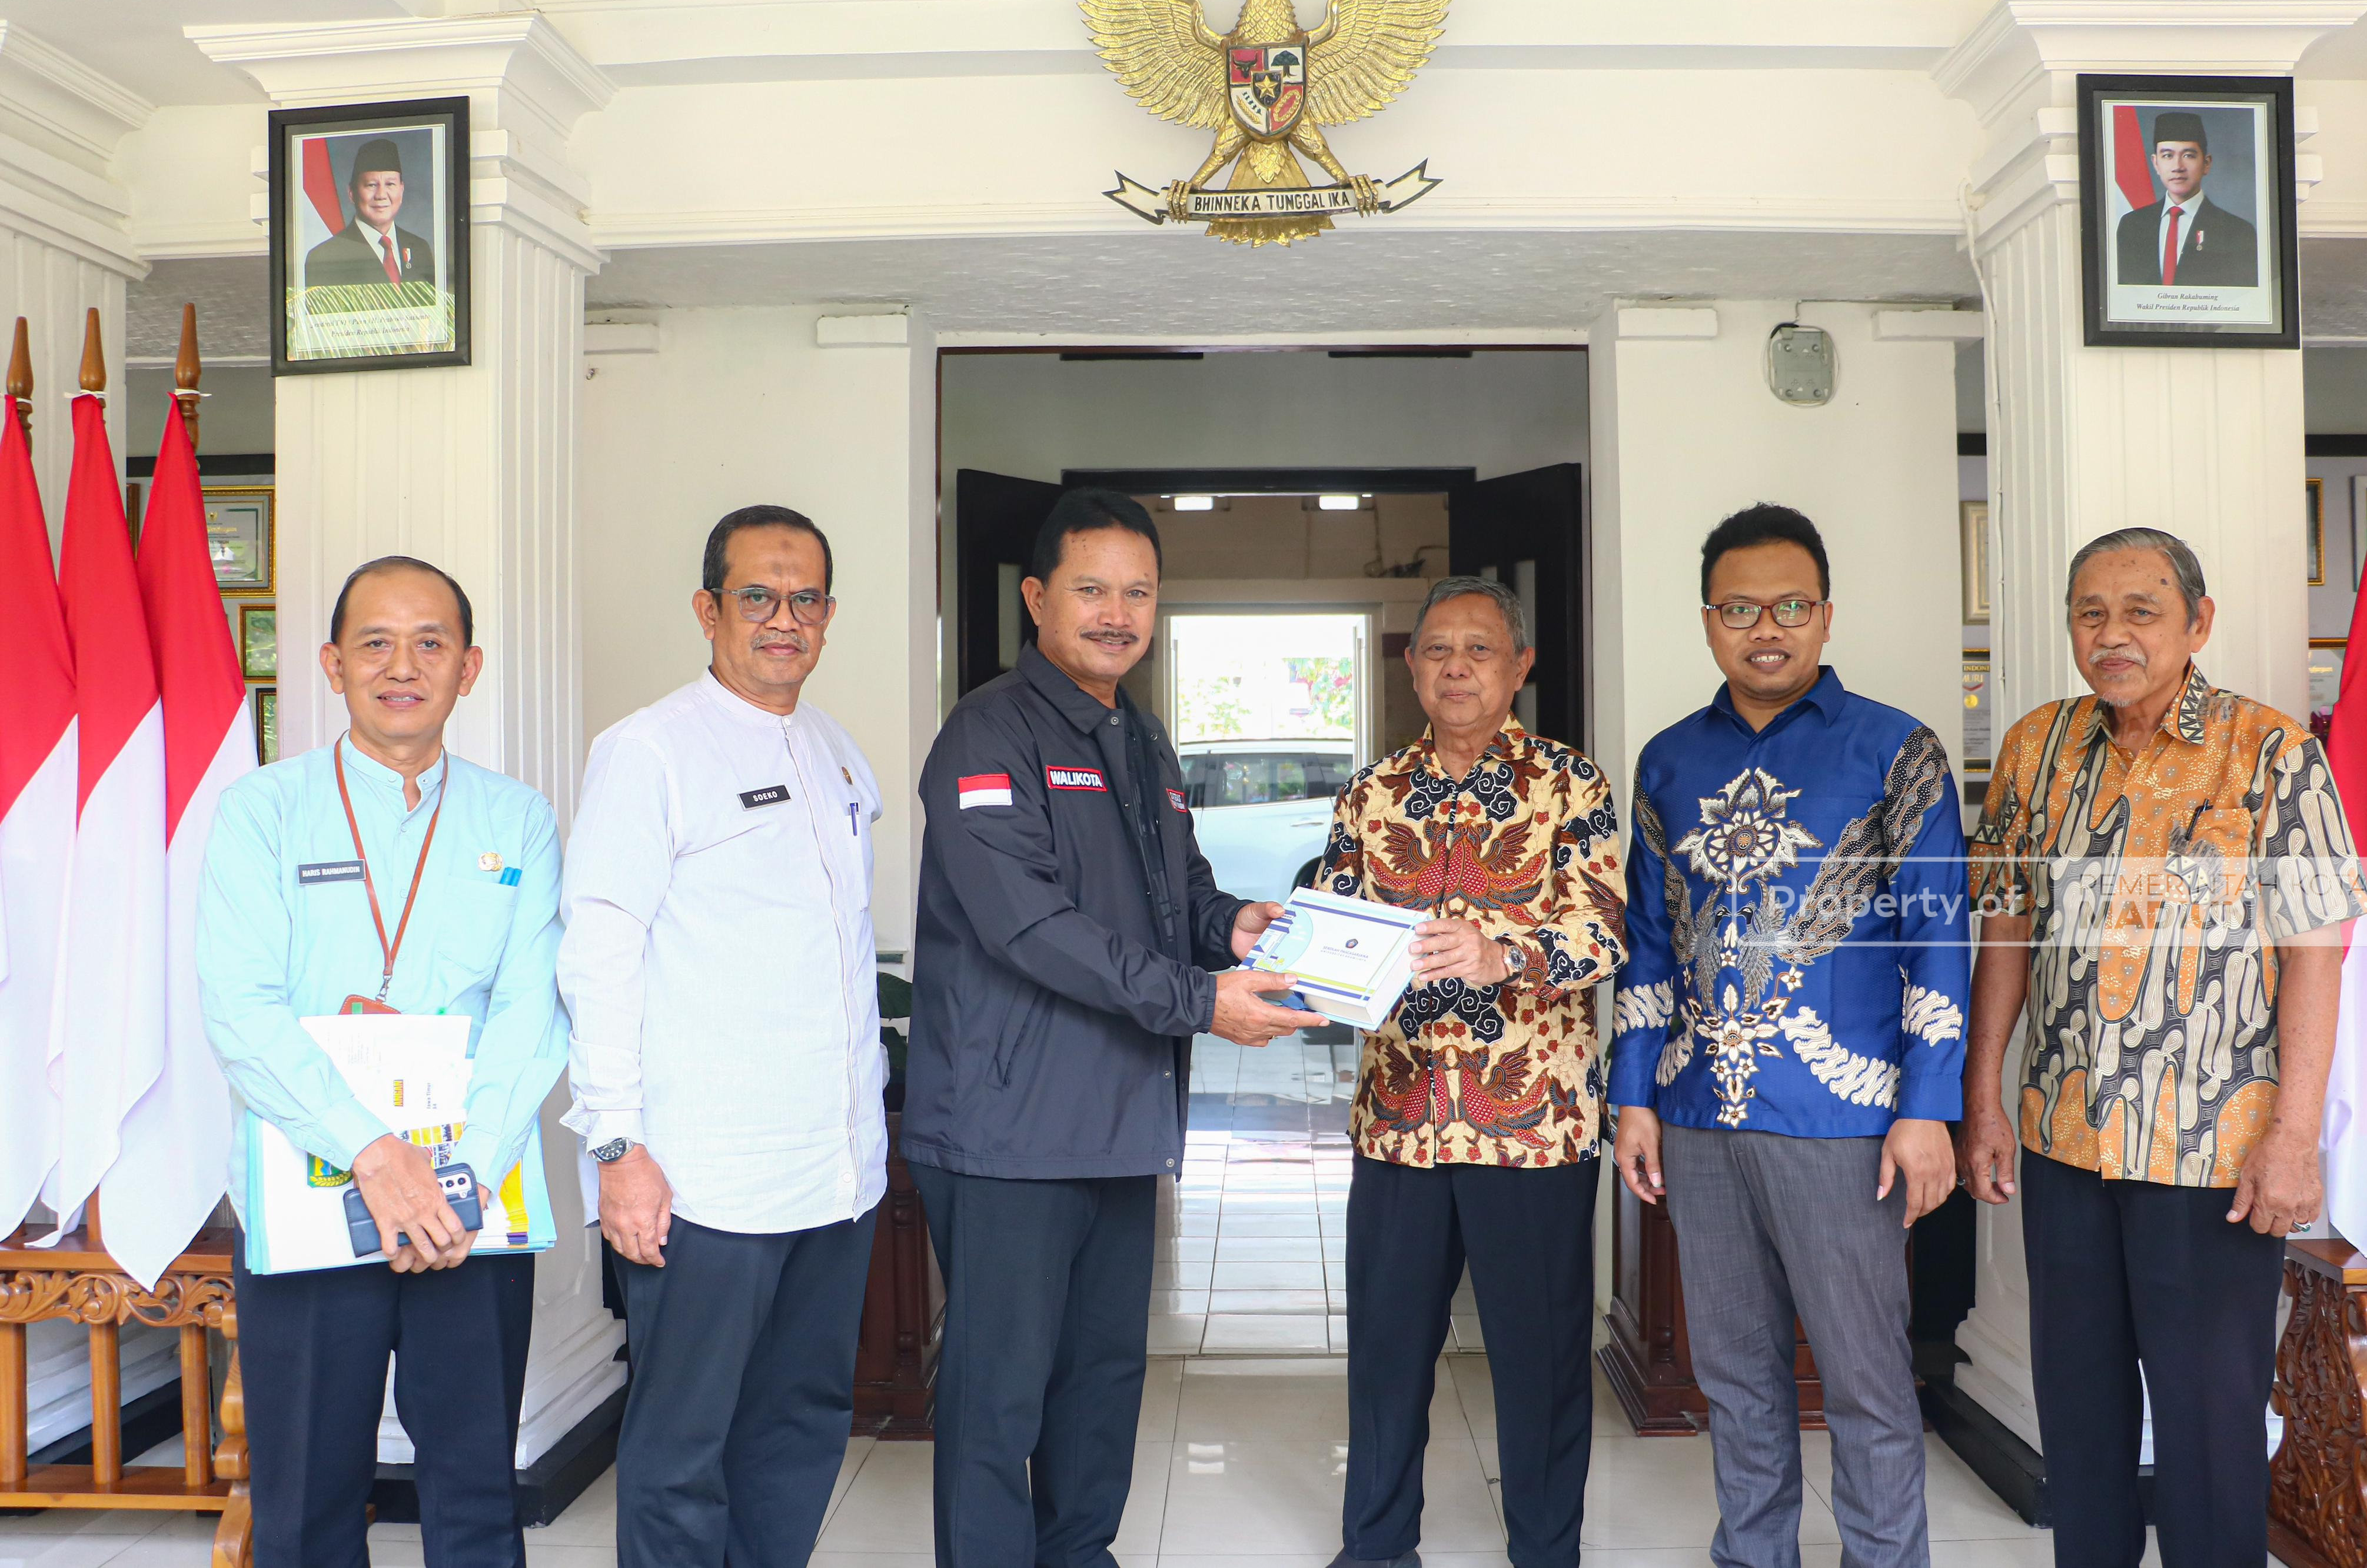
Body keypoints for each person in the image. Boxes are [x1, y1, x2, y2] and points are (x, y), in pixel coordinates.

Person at [905, 487, 1309, 1568]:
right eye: (1092, 589)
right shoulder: (988, 732)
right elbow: (1030, 924)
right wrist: (1201, 1001)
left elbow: (1177, 889)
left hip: (1122, 1120)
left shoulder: (1140, 735)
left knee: (1100, 1381)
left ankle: (1081, 1554)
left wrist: (1232, 925)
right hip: (1010, 1132)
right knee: (999, 1397)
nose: (1116, 613)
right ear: (1038, 597)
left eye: (1138, 592)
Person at [1958, 527, 2367, 1568]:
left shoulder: (2271, 752)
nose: (2114, 634)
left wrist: (2294, 1137)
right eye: (2091, 612)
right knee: (2080, 1419)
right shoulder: (2036, 747)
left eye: (2141, 610)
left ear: (2198, 622)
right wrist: (1983, 1095)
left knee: (2209, 1429)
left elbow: (2316, 956)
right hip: (2063, 1136)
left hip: (2211, 1155)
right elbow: (2005, 928)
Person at [1611, 504, 1969, 1568]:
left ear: (1825, 614)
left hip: (1845, 1119)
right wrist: (1632, 1093)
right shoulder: (1669, 759)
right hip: (1697, 1111)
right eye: (1739, 608)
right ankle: (1752, 1552)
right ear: (1707, 619)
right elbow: (1647, 940)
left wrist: (1928, 1108)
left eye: (1790, 605)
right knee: (1735, 1373)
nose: (1765, 628)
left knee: (1863, 1376)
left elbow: (1939, 937)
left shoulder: (1896, 750)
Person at [198, 555, 569, 1568]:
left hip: (470, 1205)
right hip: (310, 1191)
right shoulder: (262, 811)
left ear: (469, 666)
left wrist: (462, 1174)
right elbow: (241, 1008)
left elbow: (531, 1012)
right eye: (375, 643)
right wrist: (374, 1152)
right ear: (332, 663)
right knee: (308, 1501)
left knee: (477, 1493)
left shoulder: (518, 819)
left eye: (430, 643)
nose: (402, 666)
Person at [557, 504, 886, 1568]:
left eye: (806, 599)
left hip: (835, 1174)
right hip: (704, 1180)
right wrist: (618, 1145)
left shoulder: (834, 749)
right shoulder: (649, 750)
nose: (784, 618)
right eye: (758, 596)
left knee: (800, 1422)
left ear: (828, 614)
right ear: (709, 609)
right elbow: (598, 954)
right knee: (683, 1444)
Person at [1315, 575, 1627, 1568]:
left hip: (1534, 1123)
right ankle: (1376, 1546)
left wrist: (1503, 952)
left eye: (1480, 649)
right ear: (1411, 666)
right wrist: (1304, 962)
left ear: (1519, 664)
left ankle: (1546, 1548)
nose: (1457, 667)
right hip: (1399, 1117)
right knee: (1387, 1353)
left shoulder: (1570, 784)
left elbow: (1604, 931)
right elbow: (1331, 922)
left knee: (1541, 1358)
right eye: (1438, 649)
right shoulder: (1370, 791)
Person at [2113, 112, 2258, 288]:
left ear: (2206, 164)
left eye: (2188, 155)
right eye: (2168, 156)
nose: (2178, 167)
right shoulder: (2131, 226)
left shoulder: (2237, 232)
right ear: (2156, 164)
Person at [303, 135, 437, 288]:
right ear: (352, 193)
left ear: (402, 189)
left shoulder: (420, 248)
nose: (381, 195)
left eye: (390, 184)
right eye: (371, 185)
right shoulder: (324, 257)